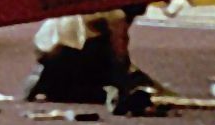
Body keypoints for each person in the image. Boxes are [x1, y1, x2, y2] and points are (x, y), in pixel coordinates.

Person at [22, 7, 156, 110]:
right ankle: (64, 86)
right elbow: (119, 53)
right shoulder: (117, 15)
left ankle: (49, 79)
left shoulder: (98, 3)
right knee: (105, 87)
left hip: (44, 46)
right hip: (69, 52)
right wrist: (125, 84)